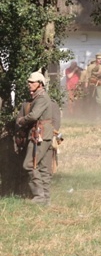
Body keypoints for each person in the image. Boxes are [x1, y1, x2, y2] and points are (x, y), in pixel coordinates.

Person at [15, 72, 54, 205]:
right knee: (42, 167)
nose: (29, 84)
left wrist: (21, 121)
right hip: (41, 134)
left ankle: (39, 197)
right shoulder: (36, 98)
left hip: (40, 134)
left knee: (29, 164)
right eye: (29, 82)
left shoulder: (42, 98)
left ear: (40, 84)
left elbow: (33, 116)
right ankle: (46, 199)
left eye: (32, 82)